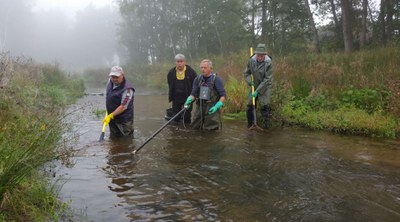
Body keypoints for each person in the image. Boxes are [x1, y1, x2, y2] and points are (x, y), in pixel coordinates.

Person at [184, 59, 226, 130]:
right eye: (201, 67)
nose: (203, 69)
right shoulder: (197, 79)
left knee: (211, 130)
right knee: (194, 127)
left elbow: (223, 96)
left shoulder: (217, 79)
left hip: (212, 107)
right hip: (199, 106)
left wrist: (217, 106)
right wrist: (189, 100)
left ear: (211, 68)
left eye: (205, 68)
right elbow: (193, 94)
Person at [244, 43, 273, 128]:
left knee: (265, 106)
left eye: (262, 56)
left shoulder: (268, 63)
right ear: (256, 54)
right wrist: (250, 82)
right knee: (250, 105)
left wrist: (257, 91)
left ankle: (265, 127)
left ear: (265, 54)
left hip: (265, 86)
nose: (259, 57)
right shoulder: (251, 60)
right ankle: (250, 125)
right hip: (254, 85)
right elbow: (246, 73)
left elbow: (267, 79)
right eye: (258, 55)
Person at [102, 66, 135, 137]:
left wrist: (110, 116)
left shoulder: (127, 89)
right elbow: (108, 95)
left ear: (122, 75)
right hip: (112, 118)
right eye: (112, 76)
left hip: (124, 120)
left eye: (117, 77)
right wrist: (109, 113)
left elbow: (123, 107)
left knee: (126, 141)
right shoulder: (110, 82)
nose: (114, 79)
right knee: (114, 138)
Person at [167, 53, 197, 124]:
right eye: (178, 61)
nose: (180, 63)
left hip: (188, 97)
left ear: (184, 62)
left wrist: (194, 96)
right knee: (176, 117)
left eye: (181, 61)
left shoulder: (191, 72)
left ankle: (187, 129)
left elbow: (196, 84)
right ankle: (177, 132)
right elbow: (170, 84)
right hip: (176, 98)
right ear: (175, 62)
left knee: (186, 116)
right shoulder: (171, 72)